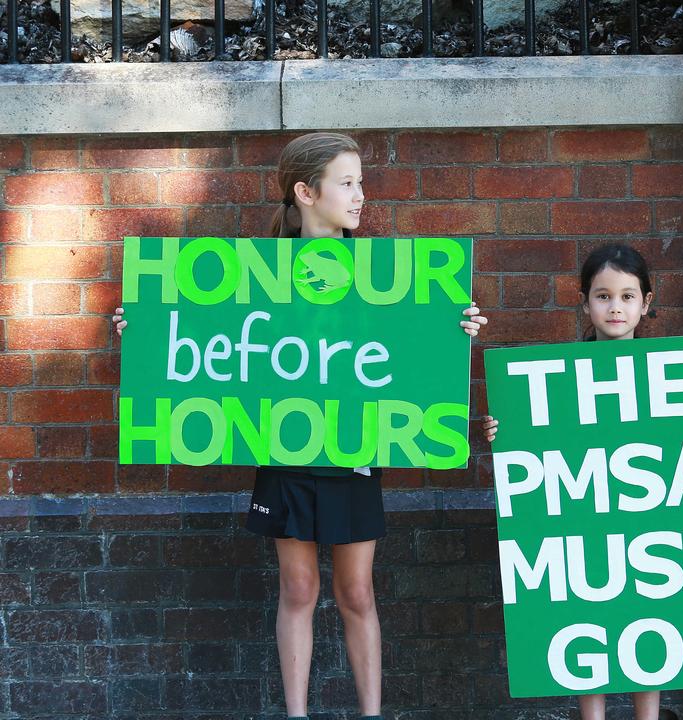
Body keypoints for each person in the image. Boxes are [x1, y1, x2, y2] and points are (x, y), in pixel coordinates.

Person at [112, 132, 488, 720]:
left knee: (357, 591)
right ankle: (297, 715)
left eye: (361, 182)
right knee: (298, 590)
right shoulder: (255, 273)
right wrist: (143, 326)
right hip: (285, 451)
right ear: (305, 192)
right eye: (347, 183)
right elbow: (197, 334)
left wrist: (454, 330)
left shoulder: (388, 277)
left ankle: (371, 714)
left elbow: (409, 354)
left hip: (355, 452)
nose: (360, 195)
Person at [480, 243, 683, 720]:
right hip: (585, 522)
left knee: (648, 606)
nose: (616, 307)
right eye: (603, 296)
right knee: (584, 609)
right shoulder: (555, 378)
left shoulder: (669, 375)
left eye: (628, 296)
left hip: (646, 521)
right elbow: (534, 436)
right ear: (584, 301)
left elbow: (682, 442)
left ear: (646, 303)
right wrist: (502, 428)